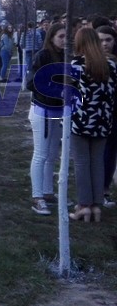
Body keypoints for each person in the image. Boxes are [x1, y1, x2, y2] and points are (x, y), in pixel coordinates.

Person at [68, 27, 117, 222]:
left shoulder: (77, 65)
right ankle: (96, 205)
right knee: (97, 162)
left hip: (81, 121)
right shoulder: (111, 66)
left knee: (81, 162)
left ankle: (83, 205)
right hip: (103, 121)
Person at [25, 23, 65, 215]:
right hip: (42, 110)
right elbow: (32, 83)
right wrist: (56, 90)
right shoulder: (43, 56)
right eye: (61, 36)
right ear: (51, 38)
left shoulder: (66, 56)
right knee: (40, 154)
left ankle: (48, 192)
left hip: (57, 110)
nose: (65, 40)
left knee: (52, 155)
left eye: (67, 36)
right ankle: (37, 196)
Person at [97, 25, 117, 208]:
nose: (105, 44)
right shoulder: (90, 61)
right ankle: (95, 192)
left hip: (114, 114)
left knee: (110, 153)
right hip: (97, 116)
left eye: (108, 40)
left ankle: (104, 190)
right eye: (101, 40)